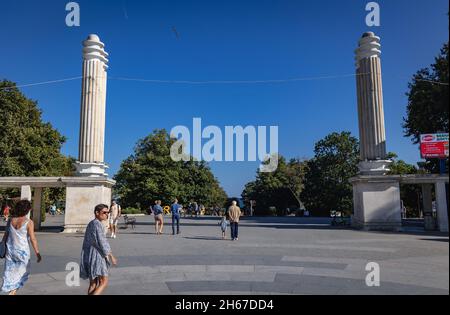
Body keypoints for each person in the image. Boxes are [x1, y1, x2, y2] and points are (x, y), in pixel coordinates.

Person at [1, 200, 42, 295]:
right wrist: (37, 253)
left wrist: (2, 245)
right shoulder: (29, 222)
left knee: (10, 271)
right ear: (27, 210)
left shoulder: (11, 220)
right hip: (22, 252)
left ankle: (11, 289)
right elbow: (33, 239)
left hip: (10, 250)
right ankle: (13, 291)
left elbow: (6, 235)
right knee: (24, 272)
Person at [80, 204, 118, 295]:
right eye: (104, 212)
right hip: (97, 255)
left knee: (93, 284)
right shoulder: (97, 224)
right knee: (103, 282)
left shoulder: (91, 223)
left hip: (88, 254)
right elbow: (102, 241)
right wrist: (111, 256)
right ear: (97, 213)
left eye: (108, 212)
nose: (107, 214)